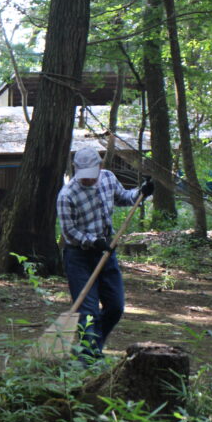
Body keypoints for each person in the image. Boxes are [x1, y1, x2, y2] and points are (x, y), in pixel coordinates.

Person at [56, 146, 154, 361]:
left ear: (99, 167)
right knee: (88, 311)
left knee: (115, 307)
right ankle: (87, 360)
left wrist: (142, 192)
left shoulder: (108, 178)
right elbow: (69, 232)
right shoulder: (67, 195)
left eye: (92, 176)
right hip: (79, 257)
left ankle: (91, 349)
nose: (88, 180)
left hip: (107, 253)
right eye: (84, 177)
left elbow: (124, 198)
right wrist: (93, 242)